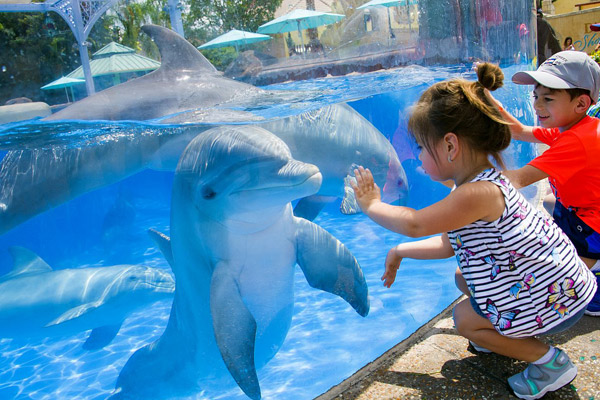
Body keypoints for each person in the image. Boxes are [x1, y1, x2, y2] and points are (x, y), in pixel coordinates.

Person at [351, 62, 597, 400]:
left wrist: (371, 205)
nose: (418, 157)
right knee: (462, 278)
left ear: (451, 146)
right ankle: (503, 335)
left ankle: (550, 362)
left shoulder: (477, 193)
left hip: (561, 303)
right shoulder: (478, 184)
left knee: (463, 318)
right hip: (557, 289)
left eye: (422, 147)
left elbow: (414, 223)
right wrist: (399, 253)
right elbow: (448, 245)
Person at [485, 51, 600, 316]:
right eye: (536, 96)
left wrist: (467, 177)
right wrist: (486, 99)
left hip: (590, 225)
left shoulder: (576, 141)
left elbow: (517, 179)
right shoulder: (574, 126)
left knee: (557, 284)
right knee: (551, 204)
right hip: (579, 208)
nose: (537, 106)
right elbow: (518, 130)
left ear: (581, 103)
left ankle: (593, 285)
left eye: (547, 98)